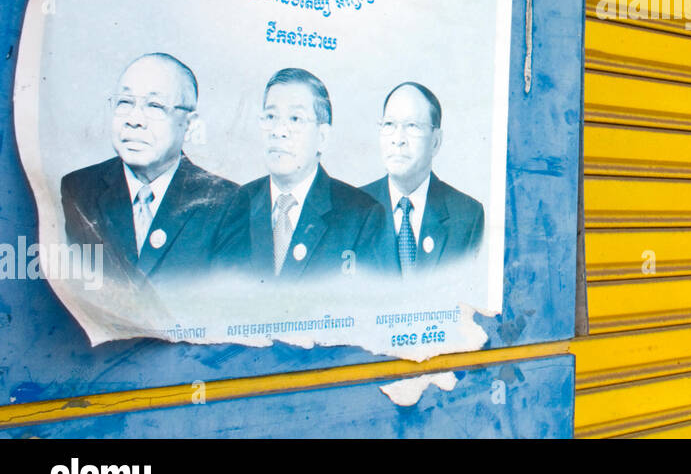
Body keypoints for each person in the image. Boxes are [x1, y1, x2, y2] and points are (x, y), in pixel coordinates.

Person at [60, 52, 236, 285]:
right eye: (125, 102)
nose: (134, 119)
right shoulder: (80, 188)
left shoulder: (229, 203)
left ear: (190, 125)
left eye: (154, 105)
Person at [214, 68, 397, 282]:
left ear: (322, 137)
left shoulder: (362, 215)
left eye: (295, 118)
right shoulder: (234, 204)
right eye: (270, 116)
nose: (278, 131)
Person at [361, 82, 483, 278]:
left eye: (412, 126)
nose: (398, 139)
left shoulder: (467, 215)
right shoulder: (352, 208)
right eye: (389, 124)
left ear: (435, 142)